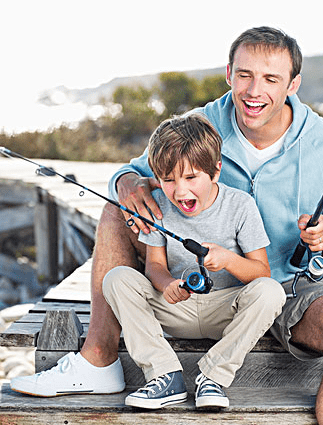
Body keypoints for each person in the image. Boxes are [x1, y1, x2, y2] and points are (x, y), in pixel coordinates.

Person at [11, 26, 323, 425]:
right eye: (244, 75)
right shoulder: (201, 122)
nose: (254, 91)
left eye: (271, 79)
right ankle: (98, 359)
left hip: (290, 286)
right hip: (194, 291)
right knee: (116, 209)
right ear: (228, 73)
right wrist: (128, 183)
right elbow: (134, 172)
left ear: (294, 83)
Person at [102, 113, 285, 409]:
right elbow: (154, 267)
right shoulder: (159, 204)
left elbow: (261, 272)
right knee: (117, 279)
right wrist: (167, 284)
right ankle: (165, 375)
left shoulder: (241, 205)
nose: (180, 190)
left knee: (271, 292)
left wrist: (227, 260)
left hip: (224, 310)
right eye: (169, 180)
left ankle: (213, 377)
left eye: (190, 177)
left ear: (215, 171)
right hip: (176, 308)